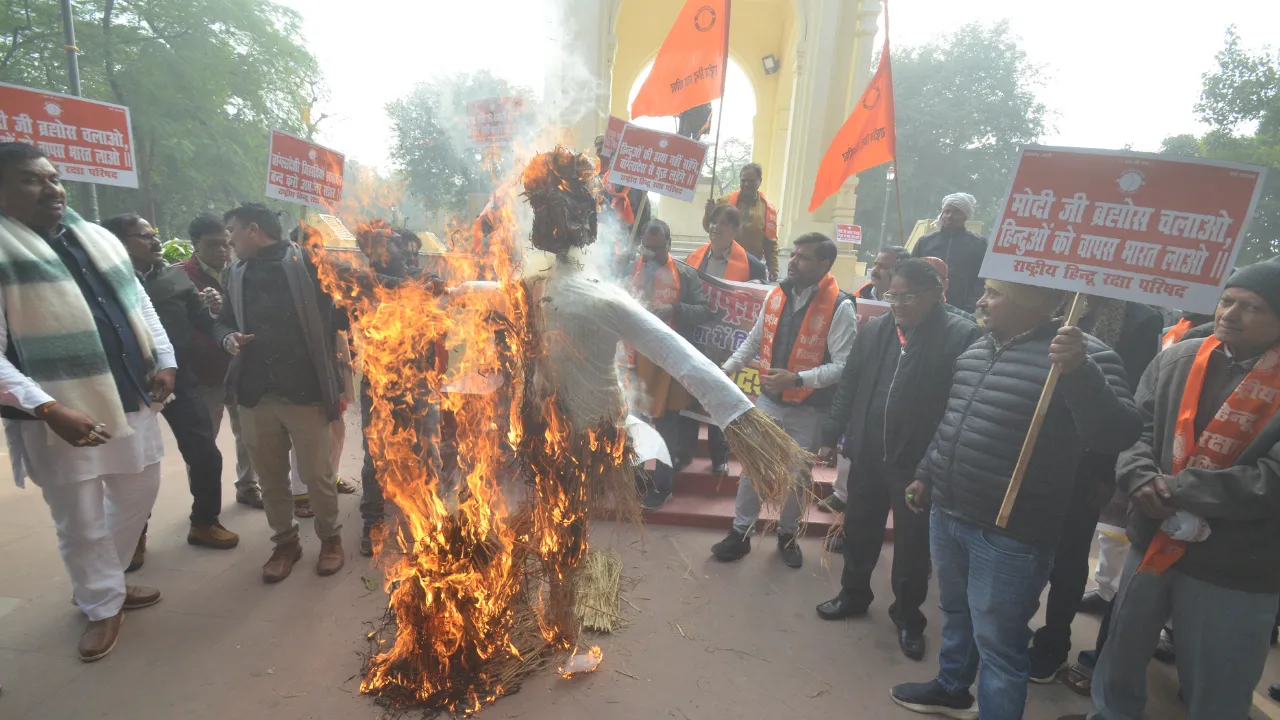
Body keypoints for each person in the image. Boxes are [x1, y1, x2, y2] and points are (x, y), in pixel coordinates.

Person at [889, 279, 1141, 719]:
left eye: (994, 293)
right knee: (957, 611)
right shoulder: (977, 349)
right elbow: (953, 421)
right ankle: (952, 687)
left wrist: (1080, 372)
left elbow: (1117, 434)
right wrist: (927, 473)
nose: (981, 300)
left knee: (1000, 642)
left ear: (1032, 301)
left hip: (1013, 531)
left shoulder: (1087, 356)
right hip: (950, 510)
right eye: (983, 289)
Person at [1060, 262, 1280, 720]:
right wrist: (1140, 478)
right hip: (1154, 534)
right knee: (1122, 650)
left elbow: (1271, 479)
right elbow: (1137, 428)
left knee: (1220, 677)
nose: (1231, 313)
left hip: (1236, 562)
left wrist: (1176, 489)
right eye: (1228, 300)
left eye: (1252, 307)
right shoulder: (1182, 357)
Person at [0, 142, 174, 661]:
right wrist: (48, 408)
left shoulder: (95, 238)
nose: (52, 189)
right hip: (60, 415)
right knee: (79, 517)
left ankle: (105, 582)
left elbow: (139, 303)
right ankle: (101, 604)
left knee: (140, 491)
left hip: (131, 398)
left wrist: (165, 360)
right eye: (33, 180)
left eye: (55, 179)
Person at [815, 260, 981, 661]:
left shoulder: (960, 336)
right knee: (859, 528)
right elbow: (850, 385)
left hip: (917, 465)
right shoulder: (875, 330)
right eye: (892, 296)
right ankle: (853, 594)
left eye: (908, 296)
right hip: (869, 453)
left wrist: (932, 464)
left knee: (912, 546)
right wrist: (829, 434)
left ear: (936, 293)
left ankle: (908, 617)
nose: (898, 304)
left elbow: (961, 408)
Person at [1025, 296, 1162, 682]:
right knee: (1024, 548)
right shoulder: (1057, 306)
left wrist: (1105, 472)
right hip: (1038, 452)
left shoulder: (1139, 319)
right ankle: (1015, 625)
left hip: (1086, 462)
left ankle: (1053, 644)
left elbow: (1127, 404)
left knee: (1068, 560)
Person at [213, 203, 348, 583]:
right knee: (271, 479)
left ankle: (330, 539)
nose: (229, 241)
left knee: (317, 476)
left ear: (254, 229)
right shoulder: (234, 273)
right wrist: (227, 337)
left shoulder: (307, 263)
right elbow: (222, 320)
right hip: (255, 395)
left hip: (305, 392)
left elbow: (347, 304)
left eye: (233, 232)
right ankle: (285, 543)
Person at [713, 232, 857, 568]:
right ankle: (740, 533)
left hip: (809, 408)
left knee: (796, 476)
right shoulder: (776, 294)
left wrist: (797, 379)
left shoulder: (841, 306)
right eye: (794, 254)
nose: (794, 262)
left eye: (804, 257)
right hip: (769, 401)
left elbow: (843, 365)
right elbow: (753, 340)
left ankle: (788, 535)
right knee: (752, 468)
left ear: (824, 264)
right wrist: (727, 368)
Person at [105, 212, 240, 554]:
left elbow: (204, 321)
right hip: (125, 386)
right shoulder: (100, 282)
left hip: (179, 378)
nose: (154, 241)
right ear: (118, 243)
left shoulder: (174, 280)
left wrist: (223, 333)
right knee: (134, 466)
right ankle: (132, 538)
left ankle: (205, 523)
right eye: (143, 236)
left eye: (154, 234)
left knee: (205, 453)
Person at [177, 213, 264, 510]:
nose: (223, 252)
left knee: (248, 435)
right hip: (203, 373)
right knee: (204, 441)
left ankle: (248, 486)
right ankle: (204, 503)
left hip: (240, 368)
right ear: (195, 244)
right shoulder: (177, 276)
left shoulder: (240, 271)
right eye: (214, 245)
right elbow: (168, 324)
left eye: (227, 244)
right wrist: (198, 309)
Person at [628, 219, 713, 510]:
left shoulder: (686, 275)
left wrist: (673, 309)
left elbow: (704, 310)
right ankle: (635, 480)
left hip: (668, 366)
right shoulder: (630, 266)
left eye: (657, 248)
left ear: (669, 245)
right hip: (634, 361)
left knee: (666, 428)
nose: (650, 254)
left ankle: (662, 486)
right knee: (634, 426)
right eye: (646, 248)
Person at [678, 205, 767, 473]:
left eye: (722, 224)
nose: (715, 227)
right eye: (712, 222)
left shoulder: (752, 264)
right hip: (696, 337)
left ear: (735, 230)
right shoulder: (693, 258)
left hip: (728, 343)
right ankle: (684, 452)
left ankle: (720, 456)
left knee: (722, 396)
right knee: (689, 392)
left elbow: (757, 303)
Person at [911, 193, 987, 312]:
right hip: (925, 306)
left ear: (965, 216)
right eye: (946, 211)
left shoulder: (978, 244)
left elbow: (981, 279)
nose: (949, 216)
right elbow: (911, 272)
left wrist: (971, 305)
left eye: (956, 212)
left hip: (961, 309)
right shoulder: (925, 241)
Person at [703, 163, 779, 281]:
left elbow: (770, 243)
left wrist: (773, 267)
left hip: (750, 266)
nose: (747, 184)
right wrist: (708, 214)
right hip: (723, 261)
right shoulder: (725, 201)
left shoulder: (768, 210)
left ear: (760, 181)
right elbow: (709, 228)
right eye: (744, 180)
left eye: (752, 181)